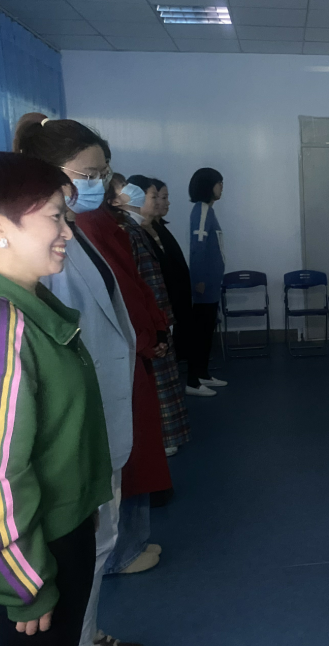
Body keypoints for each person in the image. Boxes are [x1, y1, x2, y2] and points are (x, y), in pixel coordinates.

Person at [0, 152, 113, 646]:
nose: (67, 231)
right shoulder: (4, 332)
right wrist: (26, 586)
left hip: (51, 529)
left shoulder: (24, 308)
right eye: (55, 217)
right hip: (33, 551)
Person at [13, 114, 149, 646]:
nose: (97, 184)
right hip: (76, 426)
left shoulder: (75, 230)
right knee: (83, 545)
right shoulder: (39, 247)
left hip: (99, 416)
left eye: (102, 173)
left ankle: (84, 636)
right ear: (47, 173)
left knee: (99, 539)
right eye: (86, 174)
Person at [74, 177, 172, 581]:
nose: (103, 184)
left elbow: (134, 286)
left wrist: (154, 328)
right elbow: (123, 296)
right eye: (91, 173)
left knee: (136, 451)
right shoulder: (88, 228)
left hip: (131, 349)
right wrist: (148, 336)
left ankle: (133, 540)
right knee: (124, 460)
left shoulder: (104, 225)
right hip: (116, 353)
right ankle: (121, 551)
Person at [113, 174, 191, 460]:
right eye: (154, 196)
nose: (160, 202)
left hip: (160, 315)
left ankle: (169, 434)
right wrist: (153, 324)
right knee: (157, 380)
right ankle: (163, 437)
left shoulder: (141, 229)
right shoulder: (128, 232)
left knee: (166, 379)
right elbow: (139, 283)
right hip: (151, 319)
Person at [187, 167, 228, 396]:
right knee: (199, 333)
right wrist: (199, 279)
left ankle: (203, 373)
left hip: (212, 284)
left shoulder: (209, 211)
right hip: (204, 285)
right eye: (219, 183)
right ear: (208, 186)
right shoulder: (201, 210)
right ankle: (193, 381)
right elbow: (197, 247)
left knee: (207, 331)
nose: (221, 187)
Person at [149, 179, 192, 363]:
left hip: (175, 299)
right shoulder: (143, 232)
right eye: (162, 197)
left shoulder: (160, 229)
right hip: (163, 303)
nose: (167, 203)